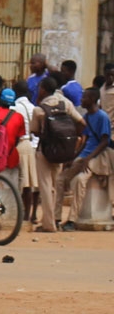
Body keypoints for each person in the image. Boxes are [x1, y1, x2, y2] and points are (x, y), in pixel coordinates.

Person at [30, 77, 85, 233]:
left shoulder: (39, 110)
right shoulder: (66, 104)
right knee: (56, 185)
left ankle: (48, 224)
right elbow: (82, 123)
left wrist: (47, 136)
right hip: (62, 149)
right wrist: (72, 139)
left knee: (46, 187)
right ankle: (54, 218)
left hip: (45, 151)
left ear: (43, 89)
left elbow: (34, 131)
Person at [54, 88, 111, 232]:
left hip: (97, 156)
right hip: (85, 155)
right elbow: (85, 141)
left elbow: (104, 141)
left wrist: (88, 158)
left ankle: (72, 220)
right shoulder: (87, 116)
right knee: (61, 179)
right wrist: (72, 158)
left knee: (80, 180)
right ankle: (56, 217)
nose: (81, 100)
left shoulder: (102, 116)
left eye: (84, 98)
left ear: (92, 99)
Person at [12, 80, 40, 224]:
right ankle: (29, 214)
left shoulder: (14, 107)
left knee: (18, 181)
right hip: (31, 144)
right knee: (30, 183)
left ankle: (17, 212)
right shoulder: (33, 107)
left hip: (18, 144)